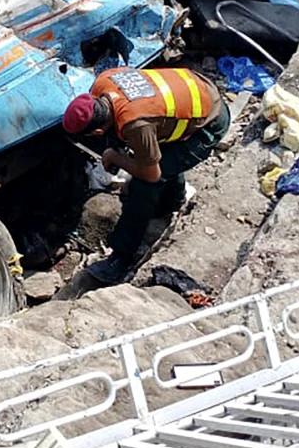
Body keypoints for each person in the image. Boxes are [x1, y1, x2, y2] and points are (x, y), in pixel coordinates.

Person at [62, 65, 230, 285]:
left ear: (96, 131)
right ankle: (172, 200)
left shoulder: (136, 124)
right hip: (199, 88)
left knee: (145, 185)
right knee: (156, 158)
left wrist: (116, 157)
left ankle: (121, 258)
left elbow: (152, 174)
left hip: (208, 123)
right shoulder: (104, 80)